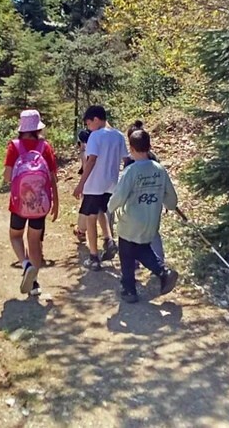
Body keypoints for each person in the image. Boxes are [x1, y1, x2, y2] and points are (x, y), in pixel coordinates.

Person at [107, 129, 180, 303]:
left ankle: (129, 290)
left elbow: (119, 196)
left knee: (126, 252)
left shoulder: (131, 171)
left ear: (131, 149)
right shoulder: (160, 170)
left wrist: (110, 207)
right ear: (149, 146)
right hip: (151, 220)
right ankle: (164, 273)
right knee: (141, 248)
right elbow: (172, 200)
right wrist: (168, 205)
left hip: (130, 221)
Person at [4, 110, 59, 296]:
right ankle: (35, 284)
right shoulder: (45, 146)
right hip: (40, 205)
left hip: (19, 204)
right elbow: (52, 178)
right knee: (34, 241)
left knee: (15, 236)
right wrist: (56, 203)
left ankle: (25, 264)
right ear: (37, 128)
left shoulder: (14, 146)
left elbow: (6, 177)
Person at [73, 105, 127, 270]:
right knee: (101, 212)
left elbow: (91, 160)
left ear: (96, 119)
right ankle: (109, 240)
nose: (88, 127)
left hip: (94, 184)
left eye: (88, 123)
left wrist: (80, 184)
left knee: (90, 219)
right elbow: (126, 160)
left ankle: (94, 256)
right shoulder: (118, 135)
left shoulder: (95, 136)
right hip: (111, 184)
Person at [123, 120, 165, 262]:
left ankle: (135, 261)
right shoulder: (153, 157)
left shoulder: (130, 160)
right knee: (153, 231)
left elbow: (126, 183)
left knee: (134, 234)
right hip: (153, 200)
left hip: (136, 203)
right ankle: (159, 261)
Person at [74, 128, 91, 243]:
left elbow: (85, 168)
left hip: (89, 183)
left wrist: (81, 185)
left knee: (85, 208)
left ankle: (81, 230)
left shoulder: (85, 152)